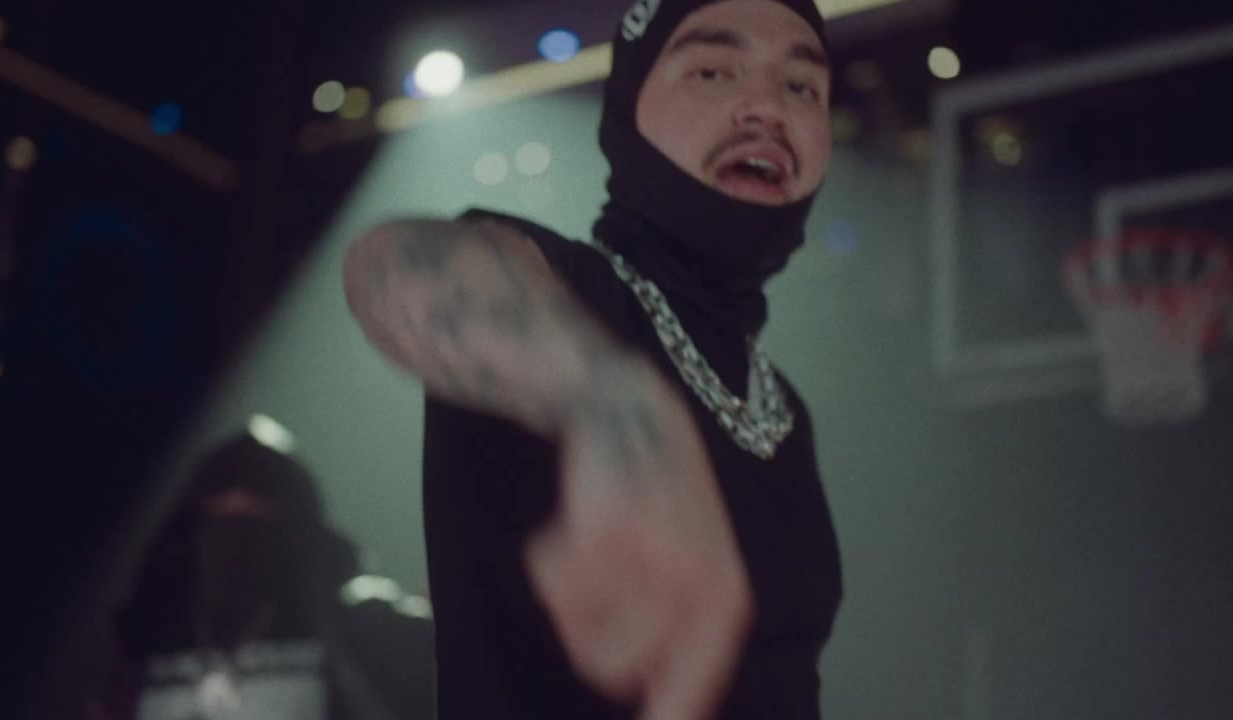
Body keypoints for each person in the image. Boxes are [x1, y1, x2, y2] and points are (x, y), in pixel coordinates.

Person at [342, 1, 843, 718]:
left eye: (801, 86)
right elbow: (396, 264)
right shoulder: (564, 287)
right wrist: (608, 402)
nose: (767, 107)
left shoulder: (783, 410)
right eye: (713, 71)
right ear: (626, 111)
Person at [94, 434, 435, 720]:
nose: (232, 544)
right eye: (220, 514)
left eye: (253, 515)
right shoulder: (146, 636)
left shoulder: (353, 625)